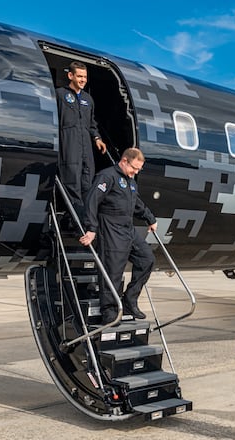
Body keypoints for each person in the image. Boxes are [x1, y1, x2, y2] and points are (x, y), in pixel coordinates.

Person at [79, 147, 156, 324]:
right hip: (110, 227)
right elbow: (92, 201)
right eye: (133, 168)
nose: (135, 172)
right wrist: (91, 229)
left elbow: (136, 203)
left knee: (147, 259)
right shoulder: (107, 176)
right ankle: (109, 311)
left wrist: (150, 219)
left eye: (139, 170)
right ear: (123, 161)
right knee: (113, 270)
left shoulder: (130, 181)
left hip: (127, 227)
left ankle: (129, 299)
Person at [56, 61, 107, 213]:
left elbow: (92, 124)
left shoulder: (88, 99)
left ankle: (85, 220)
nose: (83, 80)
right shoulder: (60, 95)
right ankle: (77, 222)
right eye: (79, 76)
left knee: (87, 184)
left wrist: (97, 138)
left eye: (84, 77)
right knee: (72, 183)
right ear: (70, 75)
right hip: (69, 146)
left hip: (86, 150)